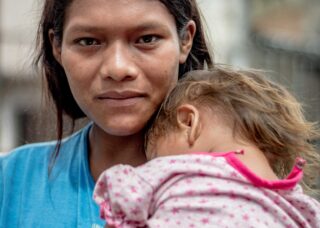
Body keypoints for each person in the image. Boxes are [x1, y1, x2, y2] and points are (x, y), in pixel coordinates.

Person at [0, 0, 213, 227]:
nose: (118, 69)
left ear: (185, 40)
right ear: (58, 47)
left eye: (146, 39)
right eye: (88, 41)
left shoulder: (237, 178)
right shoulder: (11, 181)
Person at [93, 67, 320, 228]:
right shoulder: (299, 205)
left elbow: (120, 203)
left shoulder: (169, 171)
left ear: (188, 122)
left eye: (155, 156)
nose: (152, 163)